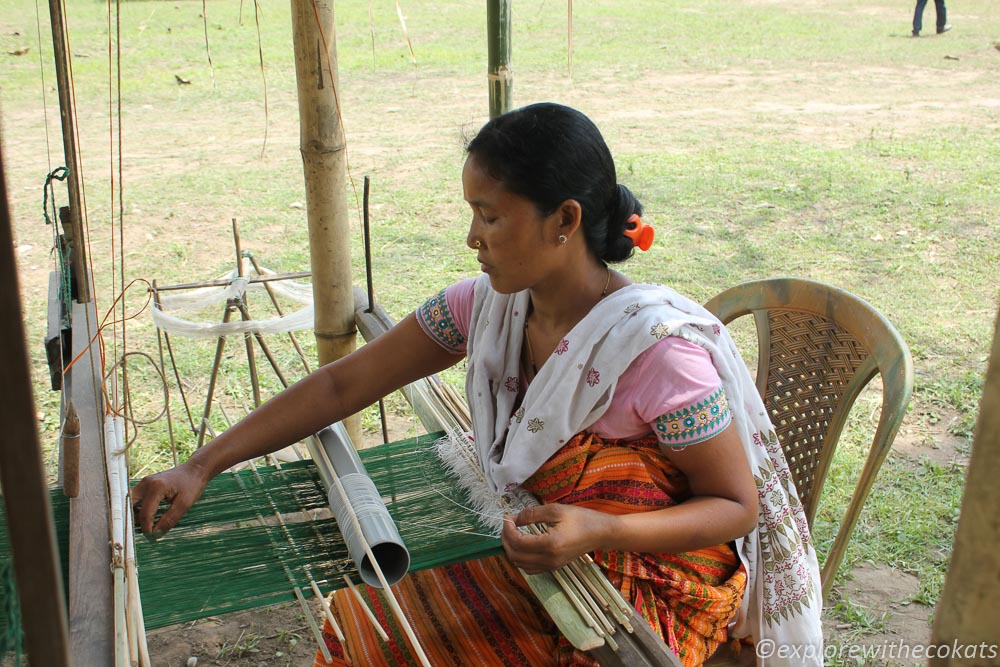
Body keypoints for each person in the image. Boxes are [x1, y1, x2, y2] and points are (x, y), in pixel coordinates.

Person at [132, 103, 823, 667]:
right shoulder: (484, 308)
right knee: (378, 615)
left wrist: (600, 527)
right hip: (547, 548)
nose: (473, 237)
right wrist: (201, 464)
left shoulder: (655, 354)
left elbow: (735, 507)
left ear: (566, 220)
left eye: (490, 216)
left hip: (637, 589)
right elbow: (343, 387)